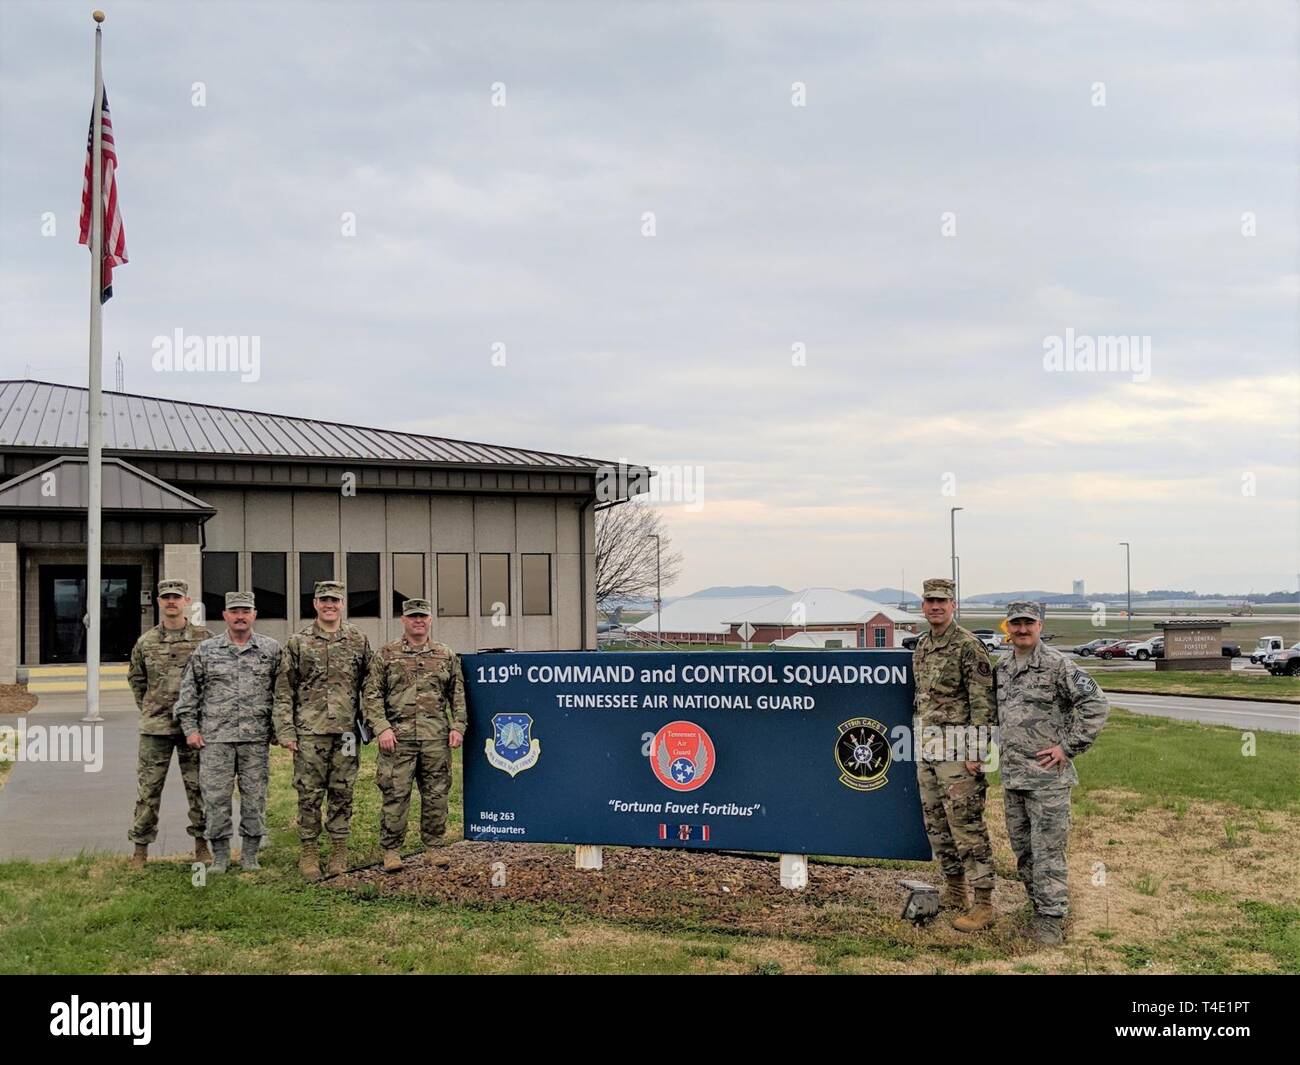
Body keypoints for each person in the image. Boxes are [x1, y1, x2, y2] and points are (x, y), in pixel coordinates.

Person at [996, 601, 1108, 945]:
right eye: (1016, 624)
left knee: (1048, 852)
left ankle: (1051, 919)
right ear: (1008, 627)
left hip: (1047, 781)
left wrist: (1067, 748)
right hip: (1014, 778)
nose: (1022, 629)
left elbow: (1096, 705)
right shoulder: (1002, 668)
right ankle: (1037, 906)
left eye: (1028, 623)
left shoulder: (1058, 665)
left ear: (1039, 626)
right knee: (1024, 851)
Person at [173, 590, 281, 873]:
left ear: (254, 615)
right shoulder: (207, 650)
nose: (240, 616)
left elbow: (282, 694)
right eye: (235, 611)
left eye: (246, 611)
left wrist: (279, 730)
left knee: (254, 797)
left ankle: (249, 855)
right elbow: (189, 692)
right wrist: (190, 729)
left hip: (255, 738)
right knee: (216, 798)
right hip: (215, 738)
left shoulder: (270, 650)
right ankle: (220, 855)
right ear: (225, 616)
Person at [912, 576, 997, 931]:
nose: (936, 606)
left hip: (959, 754)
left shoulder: (968, 646)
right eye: (930, 601)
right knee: (937, 825)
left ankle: (984, 903)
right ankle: (955, 889)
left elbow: (983, 704)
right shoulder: (922, 645)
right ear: (923, 606)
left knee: (966, 825)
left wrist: (978, 753)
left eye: (942, 602)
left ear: (953, 606)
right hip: (926, 750)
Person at [273, 580, 372, 880]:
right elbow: (283, 690)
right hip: (310, 731)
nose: (330, 605)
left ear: (342, 604)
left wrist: (368, 720)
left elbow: (370, 683)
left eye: (335, 600)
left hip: (345, 733)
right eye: (324, 600)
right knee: (309, 792)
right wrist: (286, 731)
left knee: (343, 790)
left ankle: (339, 849)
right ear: (315, 604)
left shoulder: (357, 639)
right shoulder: (298, 642)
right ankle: (309, 851)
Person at [362, 598, 466, 873]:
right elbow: (372, 695)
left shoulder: (445, 655)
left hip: (435, 738)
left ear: (430, 619)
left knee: (436, 795)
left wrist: (458, 726)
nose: (418, 621)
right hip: (398, 738)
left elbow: (458, 694)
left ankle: (434, 847)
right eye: (413, 617)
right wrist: (381, 727)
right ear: (403, 620)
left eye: (423, 616)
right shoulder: (386, 654)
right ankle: (392, 851)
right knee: (395, 795)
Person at [126, 578, 214, 868]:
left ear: (187, 601)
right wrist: (152, 709)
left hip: (195, 730)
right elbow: (137, 680)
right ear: (159, 602)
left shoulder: (204, 640)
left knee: (200, 789)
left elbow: (214, 681)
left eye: (177, 596)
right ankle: (140, 849)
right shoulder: (146, 642)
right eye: (166, 597)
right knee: (148, 791)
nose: (171, 601)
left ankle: (202, 845)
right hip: (156, 729)